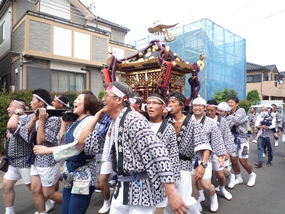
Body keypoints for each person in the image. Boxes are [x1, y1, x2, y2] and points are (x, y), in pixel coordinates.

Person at [81, 82, 187, 214]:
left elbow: (159, 151)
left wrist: (171, 190)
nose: (103, 99)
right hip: (121, 188)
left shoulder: (134, 119)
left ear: (119, 99)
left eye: (106, 95)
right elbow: (86, 143)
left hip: (141, 190)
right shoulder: (112, 121)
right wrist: (96, 117)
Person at [33, 91, 101, 214]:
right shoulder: (77, 121)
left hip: (84, 174)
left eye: (79, 99)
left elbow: (78, 146)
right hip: (71, 171)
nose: (74, 101)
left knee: (75, 211)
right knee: (66, 210)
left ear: (87, 104)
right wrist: (64, 123)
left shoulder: (90, 120)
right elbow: (63, 143)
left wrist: (48, 150)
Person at [19, 89, 61, 214]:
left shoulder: (53, 117)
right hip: (36, 158)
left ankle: (75, 206)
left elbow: (41, 140)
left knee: (49, 194)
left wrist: (41, 121)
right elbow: (24, 135)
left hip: (48, 159)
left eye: (33, 100)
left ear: (41, 103)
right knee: (35, 189)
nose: (30, 103)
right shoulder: (33, 115)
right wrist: (33, 120)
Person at [145, 93, 182, 214]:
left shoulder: (168, 128)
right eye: (148, 103)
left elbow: (173, 154)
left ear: (163, 107)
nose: (150, 106)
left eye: (155, 103)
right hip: (141, 177)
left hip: (161, 176)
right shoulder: (141, 124)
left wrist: (173, 180)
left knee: (158, 210)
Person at [189, 97, 226, 213]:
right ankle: (196, 201)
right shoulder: (187, 120)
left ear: (204, 108)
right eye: (195, 105)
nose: (197, 108)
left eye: (200, 106)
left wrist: (220, 155)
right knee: (191, 183)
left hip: (205, 157)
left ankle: (212, 195)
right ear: (192, 107)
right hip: (189, 158)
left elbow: (217, 139)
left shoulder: (211, 123)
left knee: (206, 184)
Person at [2, 99, 32, 214]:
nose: (8, 109)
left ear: (18, 108)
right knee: (6, 186)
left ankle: (48, 201)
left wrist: (17, 114)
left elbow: (13, 129)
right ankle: (9, 212)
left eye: (10, 106)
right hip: (13, 163)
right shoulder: (13, 119)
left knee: (33, 188)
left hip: (24, 161)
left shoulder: (25, 120)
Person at [205, 100, 236, 201]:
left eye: (211, 110)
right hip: (205, 152)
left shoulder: (222, 121)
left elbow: (227, 136)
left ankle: (222, 188)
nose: (209, 112)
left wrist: (226, 152)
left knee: (220, 174)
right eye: (207, 110)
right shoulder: (202, 119)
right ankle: (202, 194)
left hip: (218, 151)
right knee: (203, 174)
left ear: (216, 110)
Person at [227, 96, 256, 187]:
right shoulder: (228, 112)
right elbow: (226, 125)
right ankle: (239, 178)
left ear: (237, 104)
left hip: (243, 140)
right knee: (234, 160)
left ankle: (252, 175)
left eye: (232, 102)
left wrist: (229, 118)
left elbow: (235, 122)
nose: (230, 104)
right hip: (232, 140)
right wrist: (230, 118)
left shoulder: (241, 111)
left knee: (243, 161)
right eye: (228, 102)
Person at [217, 102, 236, 189]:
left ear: (226, 112)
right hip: (216, 145)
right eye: (218, 110)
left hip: (225, 144)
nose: (219, 112)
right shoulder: (216, 118)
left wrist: (227, 152)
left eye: (221, 111)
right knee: (218, 167)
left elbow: (227, 136)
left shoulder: (229, 119)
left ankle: (231, 176)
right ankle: (221, 185)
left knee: (223, 168)